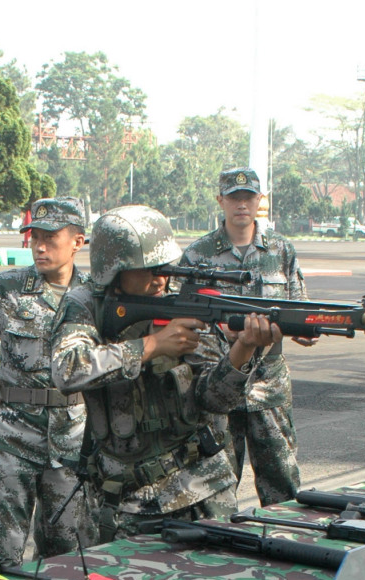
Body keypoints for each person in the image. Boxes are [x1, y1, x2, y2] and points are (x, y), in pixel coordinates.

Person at [50, 204, 281, 540]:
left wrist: (244, 348)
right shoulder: (85, 305)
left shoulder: (184, 307)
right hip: (123, 500)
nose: (161, 279)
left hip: (202, 492)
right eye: (148, 270)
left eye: (165, 268)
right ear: (114, 270)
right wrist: (152, 346)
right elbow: (67, 370)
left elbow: (215, 400)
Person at [0, 196, 96, 570]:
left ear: (77, 241)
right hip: (15, 443)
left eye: (50, 238)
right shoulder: (8, 289)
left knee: (66, 561)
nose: (39, 247)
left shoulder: (94, 296)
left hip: (73, 445)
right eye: (34, 237)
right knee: (3, 561)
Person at [182, 167, 310, 506]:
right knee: (216, 489)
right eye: (234, 198)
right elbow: (184, 317)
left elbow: (299, 308)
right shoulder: (197, 255)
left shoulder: (281, 251)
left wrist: (306, 330)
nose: (242, 205)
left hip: (268, 386)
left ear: (260, 201)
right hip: (218, 385)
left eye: (249, 197)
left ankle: (287, 545)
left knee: (283, 486)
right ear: (220, 200)